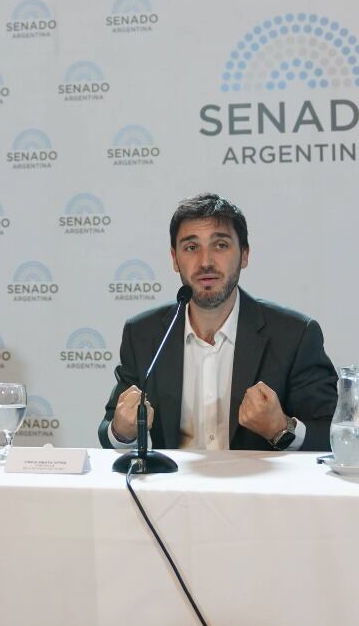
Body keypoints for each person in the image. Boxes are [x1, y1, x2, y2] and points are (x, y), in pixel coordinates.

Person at [99, 192, 338, 452]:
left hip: (258, 490)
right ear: (174, 259)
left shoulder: (294, 335)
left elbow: (332, 435)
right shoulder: (144, 334)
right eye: (191, 248)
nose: (206, 262)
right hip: (170, 489)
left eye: (220, 245)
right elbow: (110, 429)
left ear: (244, 255)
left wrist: (281, 428)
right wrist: (122, 431)